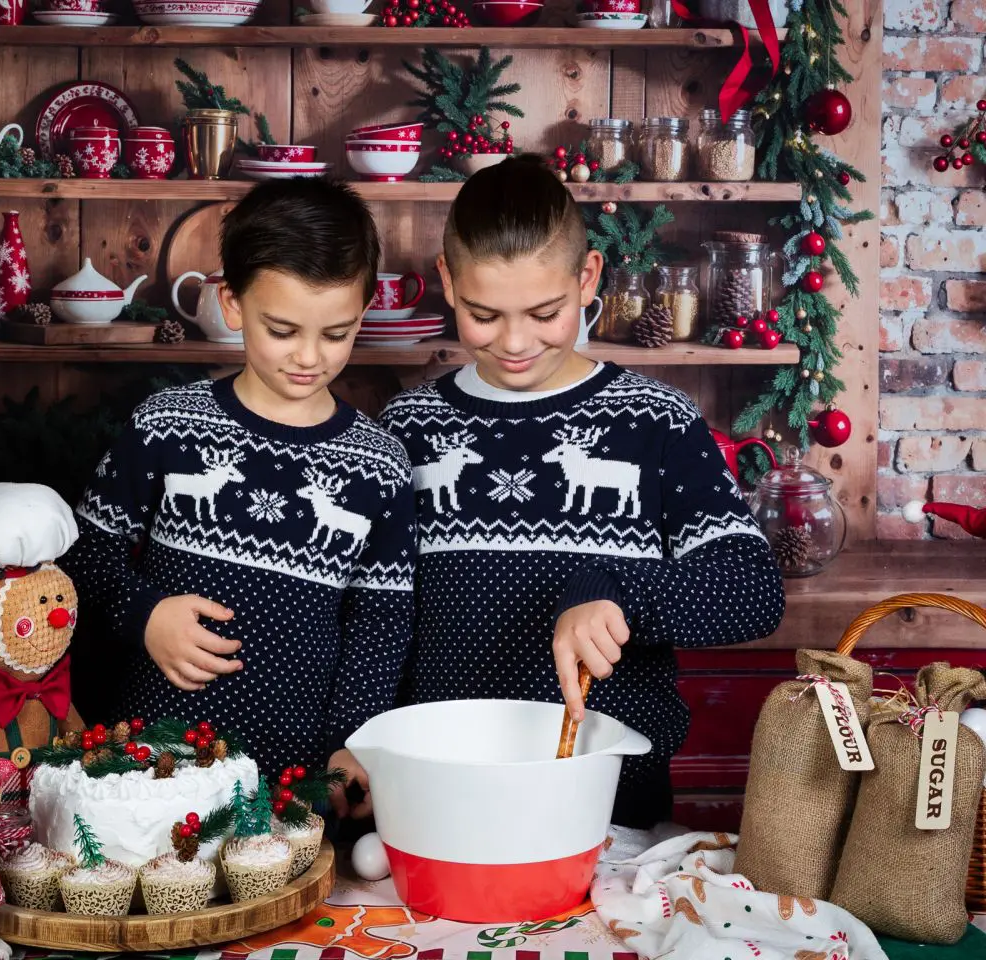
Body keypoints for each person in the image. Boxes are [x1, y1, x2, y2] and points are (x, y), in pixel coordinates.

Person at [379, 157, 785, 828]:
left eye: (544, 312)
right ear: (448, 284)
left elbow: (751, 591)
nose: (513, 342)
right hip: (441, 798)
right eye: (484, 314)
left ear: (587, 277)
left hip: (613, 806)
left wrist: (618, 595)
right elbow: (379, 620)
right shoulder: (408, 430)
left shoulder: (657, 422)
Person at [61, 178, 415, 817]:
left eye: (337, 333)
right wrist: (145, 615)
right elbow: (84, 552)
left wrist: (352, 743)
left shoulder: (381, 465)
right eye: (282, 330)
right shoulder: (170, 423)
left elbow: (380, 622)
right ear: (231, 303)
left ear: (363, 313)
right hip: (155, 763)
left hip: (295, 781)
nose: (309, 356)